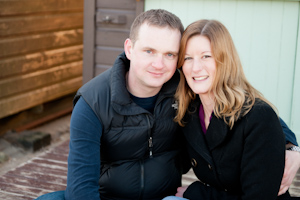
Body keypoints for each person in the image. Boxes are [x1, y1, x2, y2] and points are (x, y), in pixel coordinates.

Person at [35, 10, 300, 200]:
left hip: (164, 194)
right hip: (109, 194)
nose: (159, 64)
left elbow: (256, 114)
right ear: (129, 48)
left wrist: (291, 147)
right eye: (149, 51)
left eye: (170, 54)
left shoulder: (185, 86)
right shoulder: (92, 102)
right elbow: (81, 188)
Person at [163, 19, 299, 200]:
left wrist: (198, 193)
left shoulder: (258, 116)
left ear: (224, 60)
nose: (195, 68)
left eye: (206, 56)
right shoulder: (189, 113)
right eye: (188, 58)